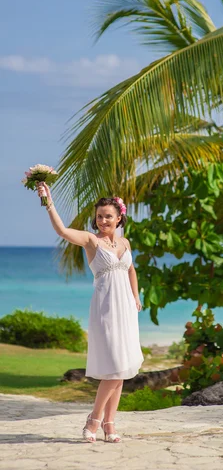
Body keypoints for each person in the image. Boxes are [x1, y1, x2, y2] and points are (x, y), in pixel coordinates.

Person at [37, 181, 144, 443]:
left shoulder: (125, 242)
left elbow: (131, 270)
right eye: (99, 216)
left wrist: (136, 296)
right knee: (115, 368)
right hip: (106, 309)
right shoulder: (90, 240)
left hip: (126, 310)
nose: (103, 220)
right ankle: (93, 421)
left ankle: (110, 425)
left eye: (108, 216)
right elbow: (62, 230)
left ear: (119, 218)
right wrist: (47, 201)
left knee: (123, 369)